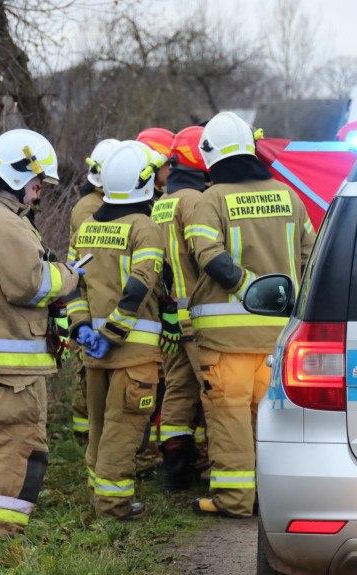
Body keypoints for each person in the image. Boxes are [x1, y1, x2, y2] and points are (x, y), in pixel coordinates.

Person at [0, 129, 81, 538]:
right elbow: (29, 285)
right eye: (37, 181)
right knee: (16, 450)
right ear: (17, 173)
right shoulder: (4, 222)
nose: (40, 190)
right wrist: (68, 275)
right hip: (10, 368)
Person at [185, 112, 317, 518]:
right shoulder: (289, 196)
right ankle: (270, 498)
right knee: (270, 422)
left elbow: (209, 256)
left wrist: (249, 290)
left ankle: (234, 499)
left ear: (210, 156)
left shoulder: (211, 200)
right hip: (279, 339)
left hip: (227, 341)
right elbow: (311, 259)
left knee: (229, 419)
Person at [69, 140, 167, 521]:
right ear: (144, 183)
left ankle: (98, 494)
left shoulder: (88, 227)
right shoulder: (145, 227)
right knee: (122, 431)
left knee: (98, 429)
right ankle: (113, 506)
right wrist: (113, 333)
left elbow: (73, 286)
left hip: (93, 352)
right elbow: (141, 284)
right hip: (132, 353)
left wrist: (81, 327)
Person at [151, 126, 209, 491]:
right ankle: (215, 468)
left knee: (177, 389)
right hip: (198, 319)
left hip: (170, 319)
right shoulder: (195, 201)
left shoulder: (162, 202)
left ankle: (175, 468)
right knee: (213, 394)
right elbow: (206, 256)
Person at [68, 138, 120, 442]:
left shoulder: (98, 202)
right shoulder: (89, 208)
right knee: (88, 373)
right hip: (90, 301)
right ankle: (85, 435)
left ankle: (89, 434)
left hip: (96, 299)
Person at [132, 127, 175, 476]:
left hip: (149, 314)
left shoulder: (154, 201)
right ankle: (143, 458)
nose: (171, 171)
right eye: (167, 164)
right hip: (140, 317)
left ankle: (146, 455)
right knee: (144, 392)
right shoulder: (142, 210)